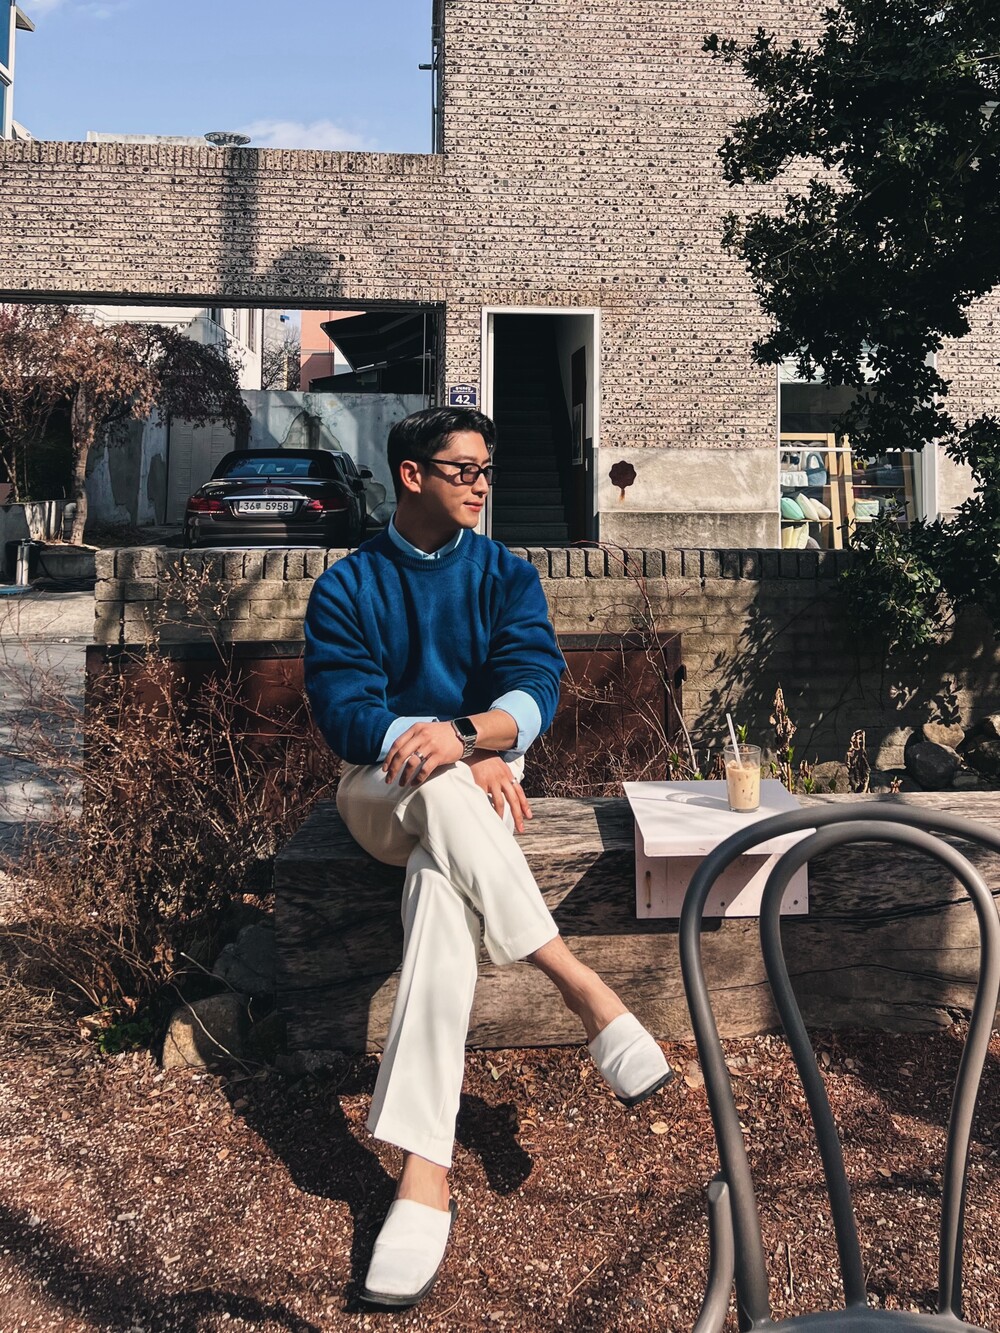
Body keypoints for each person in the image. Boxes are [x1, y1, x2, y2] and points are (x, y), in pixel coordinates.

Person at [303, 405, 672, 1309]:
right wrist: (446, 749)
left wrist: (467, 738)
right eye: (462, 468)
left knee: (440, 891)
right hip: (378, 792)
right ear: (412, 474)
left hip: (475, 793)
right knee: (437, 788)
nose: (480, 483)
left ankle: (422, 1175)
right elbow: (344, 711)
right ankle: (577, 981)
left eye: (486, 469)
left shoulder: (506, 573)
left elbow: (536, 683)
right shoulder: (349, 584)